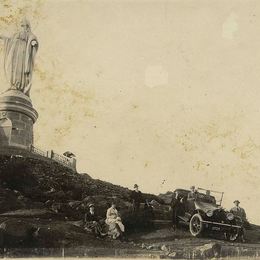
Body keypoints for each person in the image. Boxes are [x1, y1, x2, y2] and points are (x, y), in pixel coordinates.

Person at [0, 18, 38, 96]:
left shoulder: (28, 34)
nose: (22, 27)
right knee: (10, 68)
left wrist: (33, 42)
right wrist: (2, 37)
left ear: (27, 27)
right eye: (21, 25)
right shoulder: (15, 34)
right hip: (14, 53)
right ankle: (12, 85)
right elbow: (9, 39)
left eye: (24, 25)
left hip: (22, 53)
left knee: (20, 70)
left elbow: (33, 38)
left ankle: (18, 86)